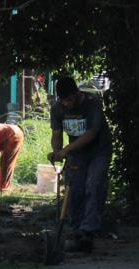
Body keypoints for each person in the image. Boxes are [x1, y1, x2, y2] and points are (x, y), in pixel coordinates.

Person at [47, 77, 112, 252]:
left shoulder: (92, 103)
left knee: (94, 185)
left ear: (77, 94)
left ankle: (88, 232)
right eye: (63, 101)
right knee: (74, 189)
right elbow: (57, 133)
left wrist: (66, 150)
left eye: (69, 100)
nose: (66, 104)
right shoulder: (57, 108)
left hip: (99, 151)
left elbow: (91, 133)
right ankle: (76, 231)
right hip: (76, 154)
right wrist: (57, 151)